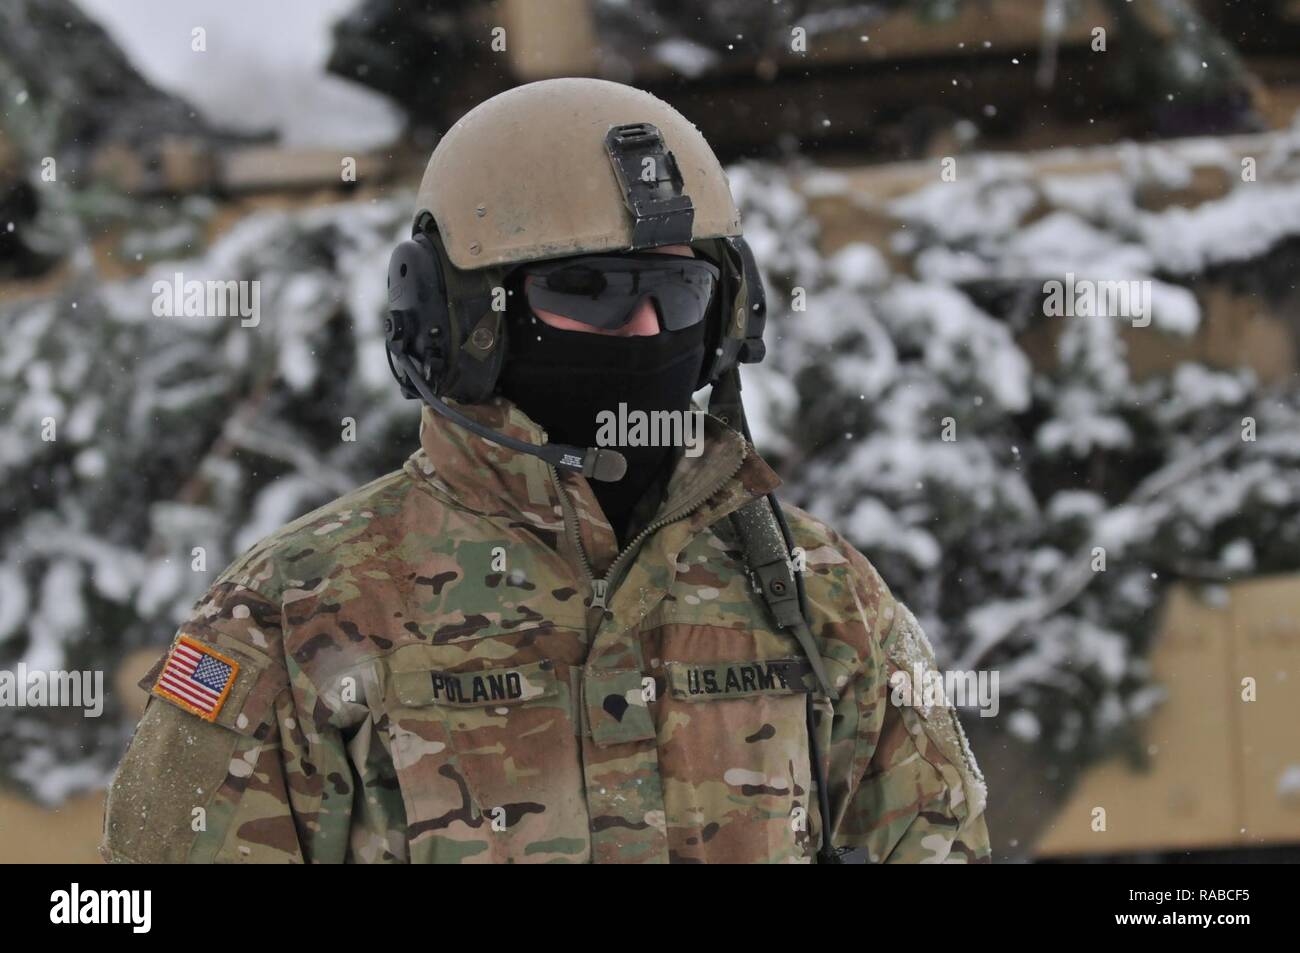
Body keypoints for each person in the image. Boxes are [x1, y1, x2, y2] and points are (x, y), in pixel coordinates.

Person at [101, 78, 990, 864]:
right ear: (460, 326)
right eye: (592, 294)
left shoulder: (820, 595)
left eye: (677, 297)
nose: (646, 333)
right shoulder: (292, 615)